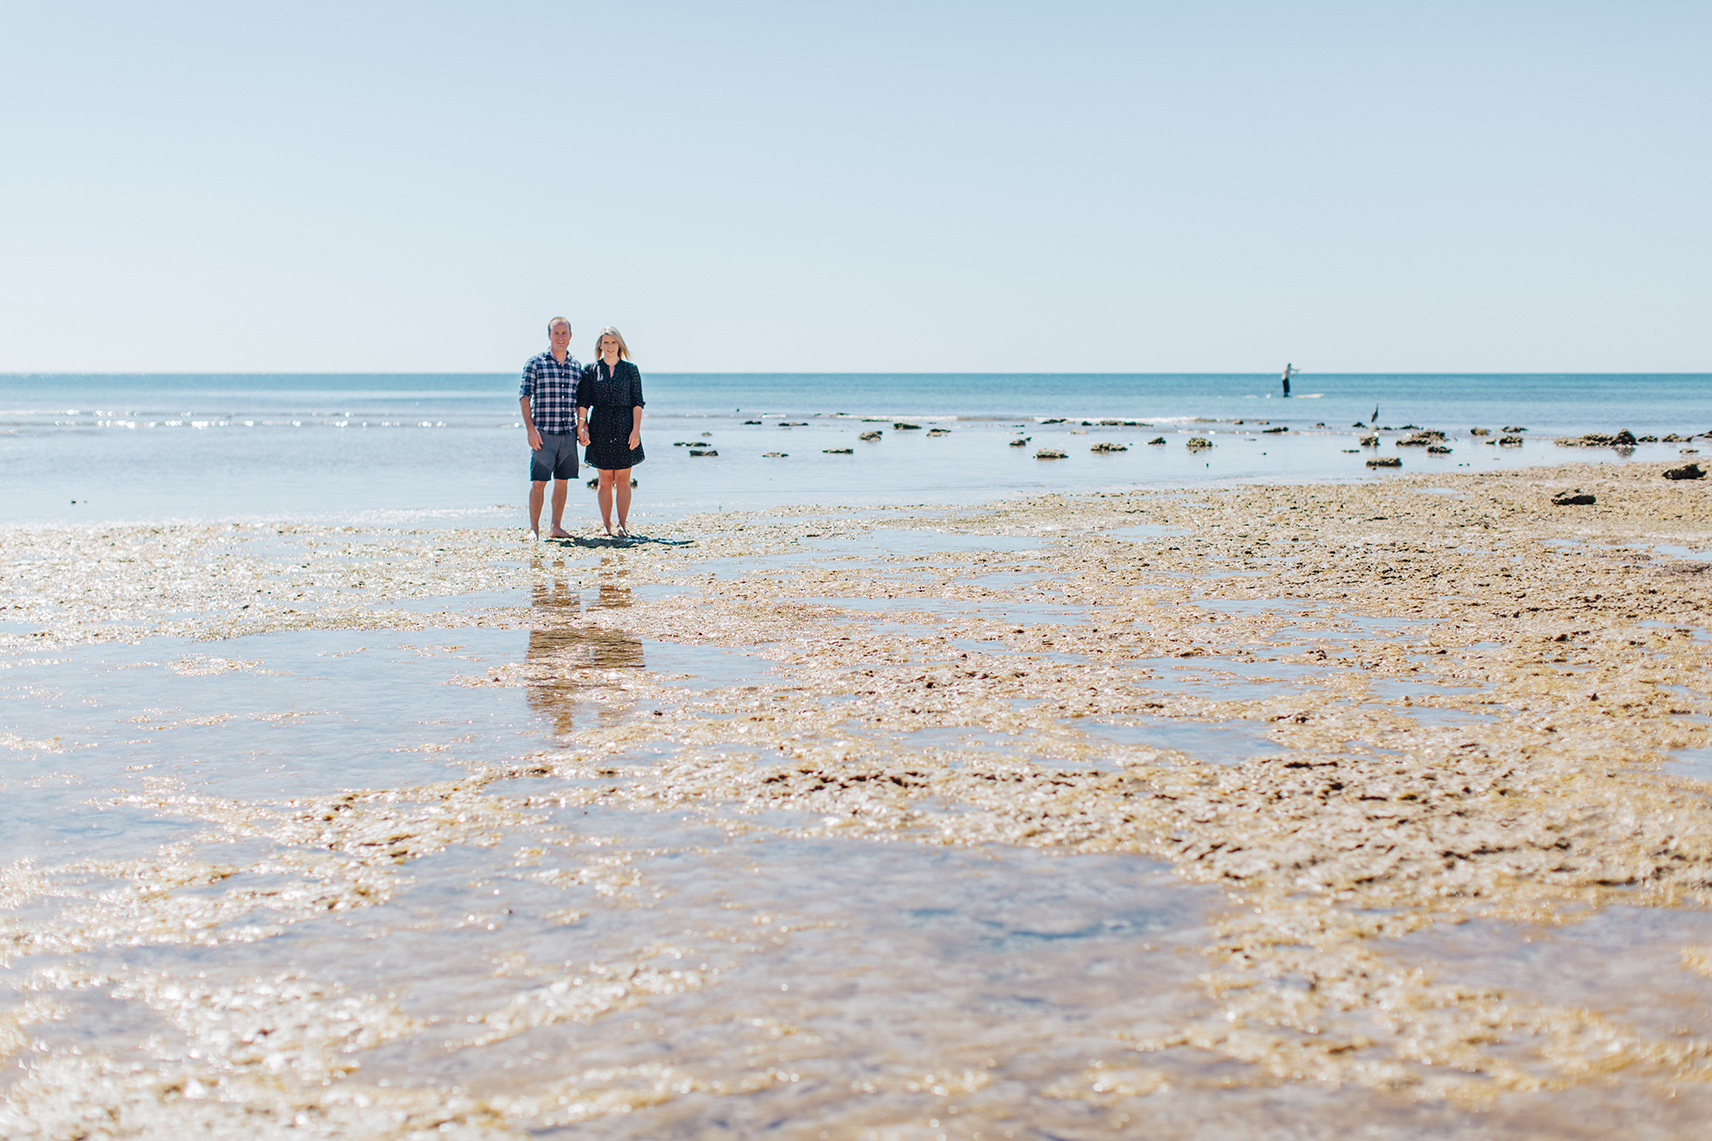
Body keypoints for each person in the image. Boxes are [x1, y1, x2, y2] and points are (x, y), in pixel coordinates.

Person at [577, 326, 645, 538]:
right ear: (600, 345)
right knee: (605, 480)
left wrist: (636, 430)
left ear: (619, 344)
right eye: (605, 342)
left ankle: (622, 525)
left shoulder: (631, 370)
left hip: (626, 426)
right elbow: (583, 402)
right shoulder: (590, 370)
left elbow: (637, 402)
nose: (609, 346)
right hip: (600, 426)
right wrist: (582, 425)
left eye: (613, 342)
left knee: (624, 480)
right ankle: (606, 526)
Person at [519, 317, 583, 539]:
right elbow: (525, 396)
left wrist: (582, 428)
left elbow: (579, 402)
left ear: (570, 336)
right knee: (539, 482)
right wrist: (530, 429)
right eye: (556, 333)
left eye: (564, 333)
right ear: (549, 335)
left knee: (563, 482)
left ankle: (556, 527)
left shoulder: (576, 366)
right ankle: (533, 529)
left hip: (568, 434)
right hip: (543, 434)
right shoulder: (535, 363)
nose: (560, 337)